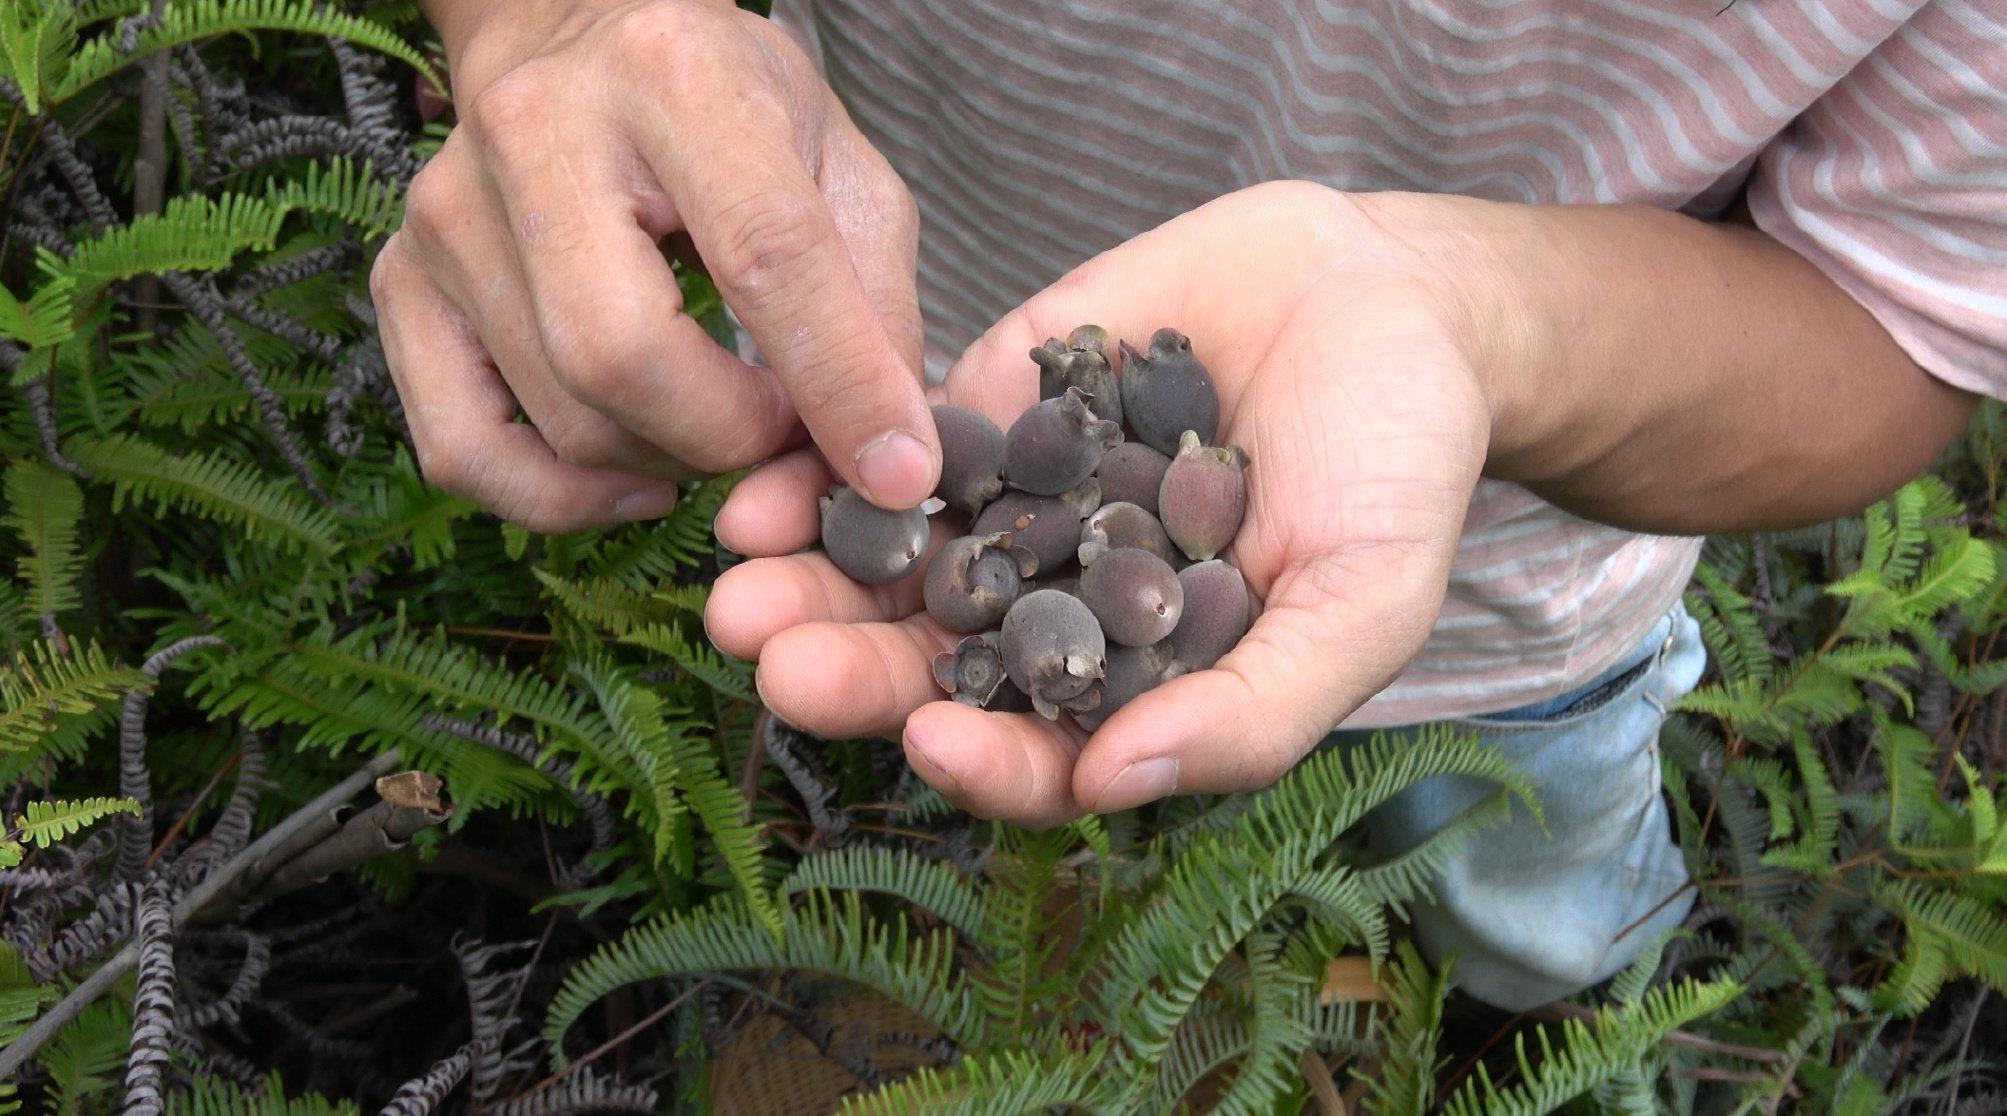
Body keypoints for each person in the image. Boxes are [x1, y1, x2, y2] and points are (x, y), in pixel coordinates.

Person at [368, 0, 2006, 1008]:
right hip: (907, 373)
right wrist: (550, 28)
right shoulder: (1047, 530)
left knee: (1544, 906)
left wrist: (1472, 321)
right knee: (1038, 769)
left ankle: (1584, 1016)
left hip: (1522, 603)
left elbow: (1900, 323)